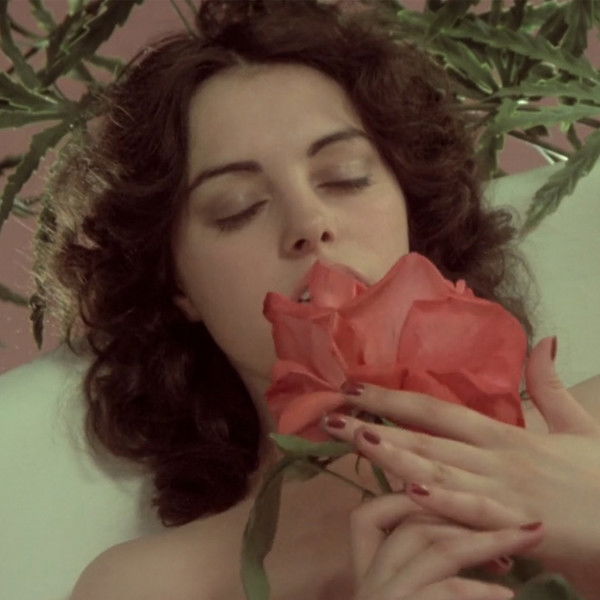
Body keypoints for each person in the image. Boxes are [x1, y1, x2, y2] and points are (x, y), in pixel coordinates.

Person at [32, 1, 600, 598]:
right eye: (239, 208)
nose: (309, 222)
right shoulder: (151, 587)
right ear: (175, 285)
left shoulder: (587, 438)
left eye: (346, 176)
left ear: (411, 209)